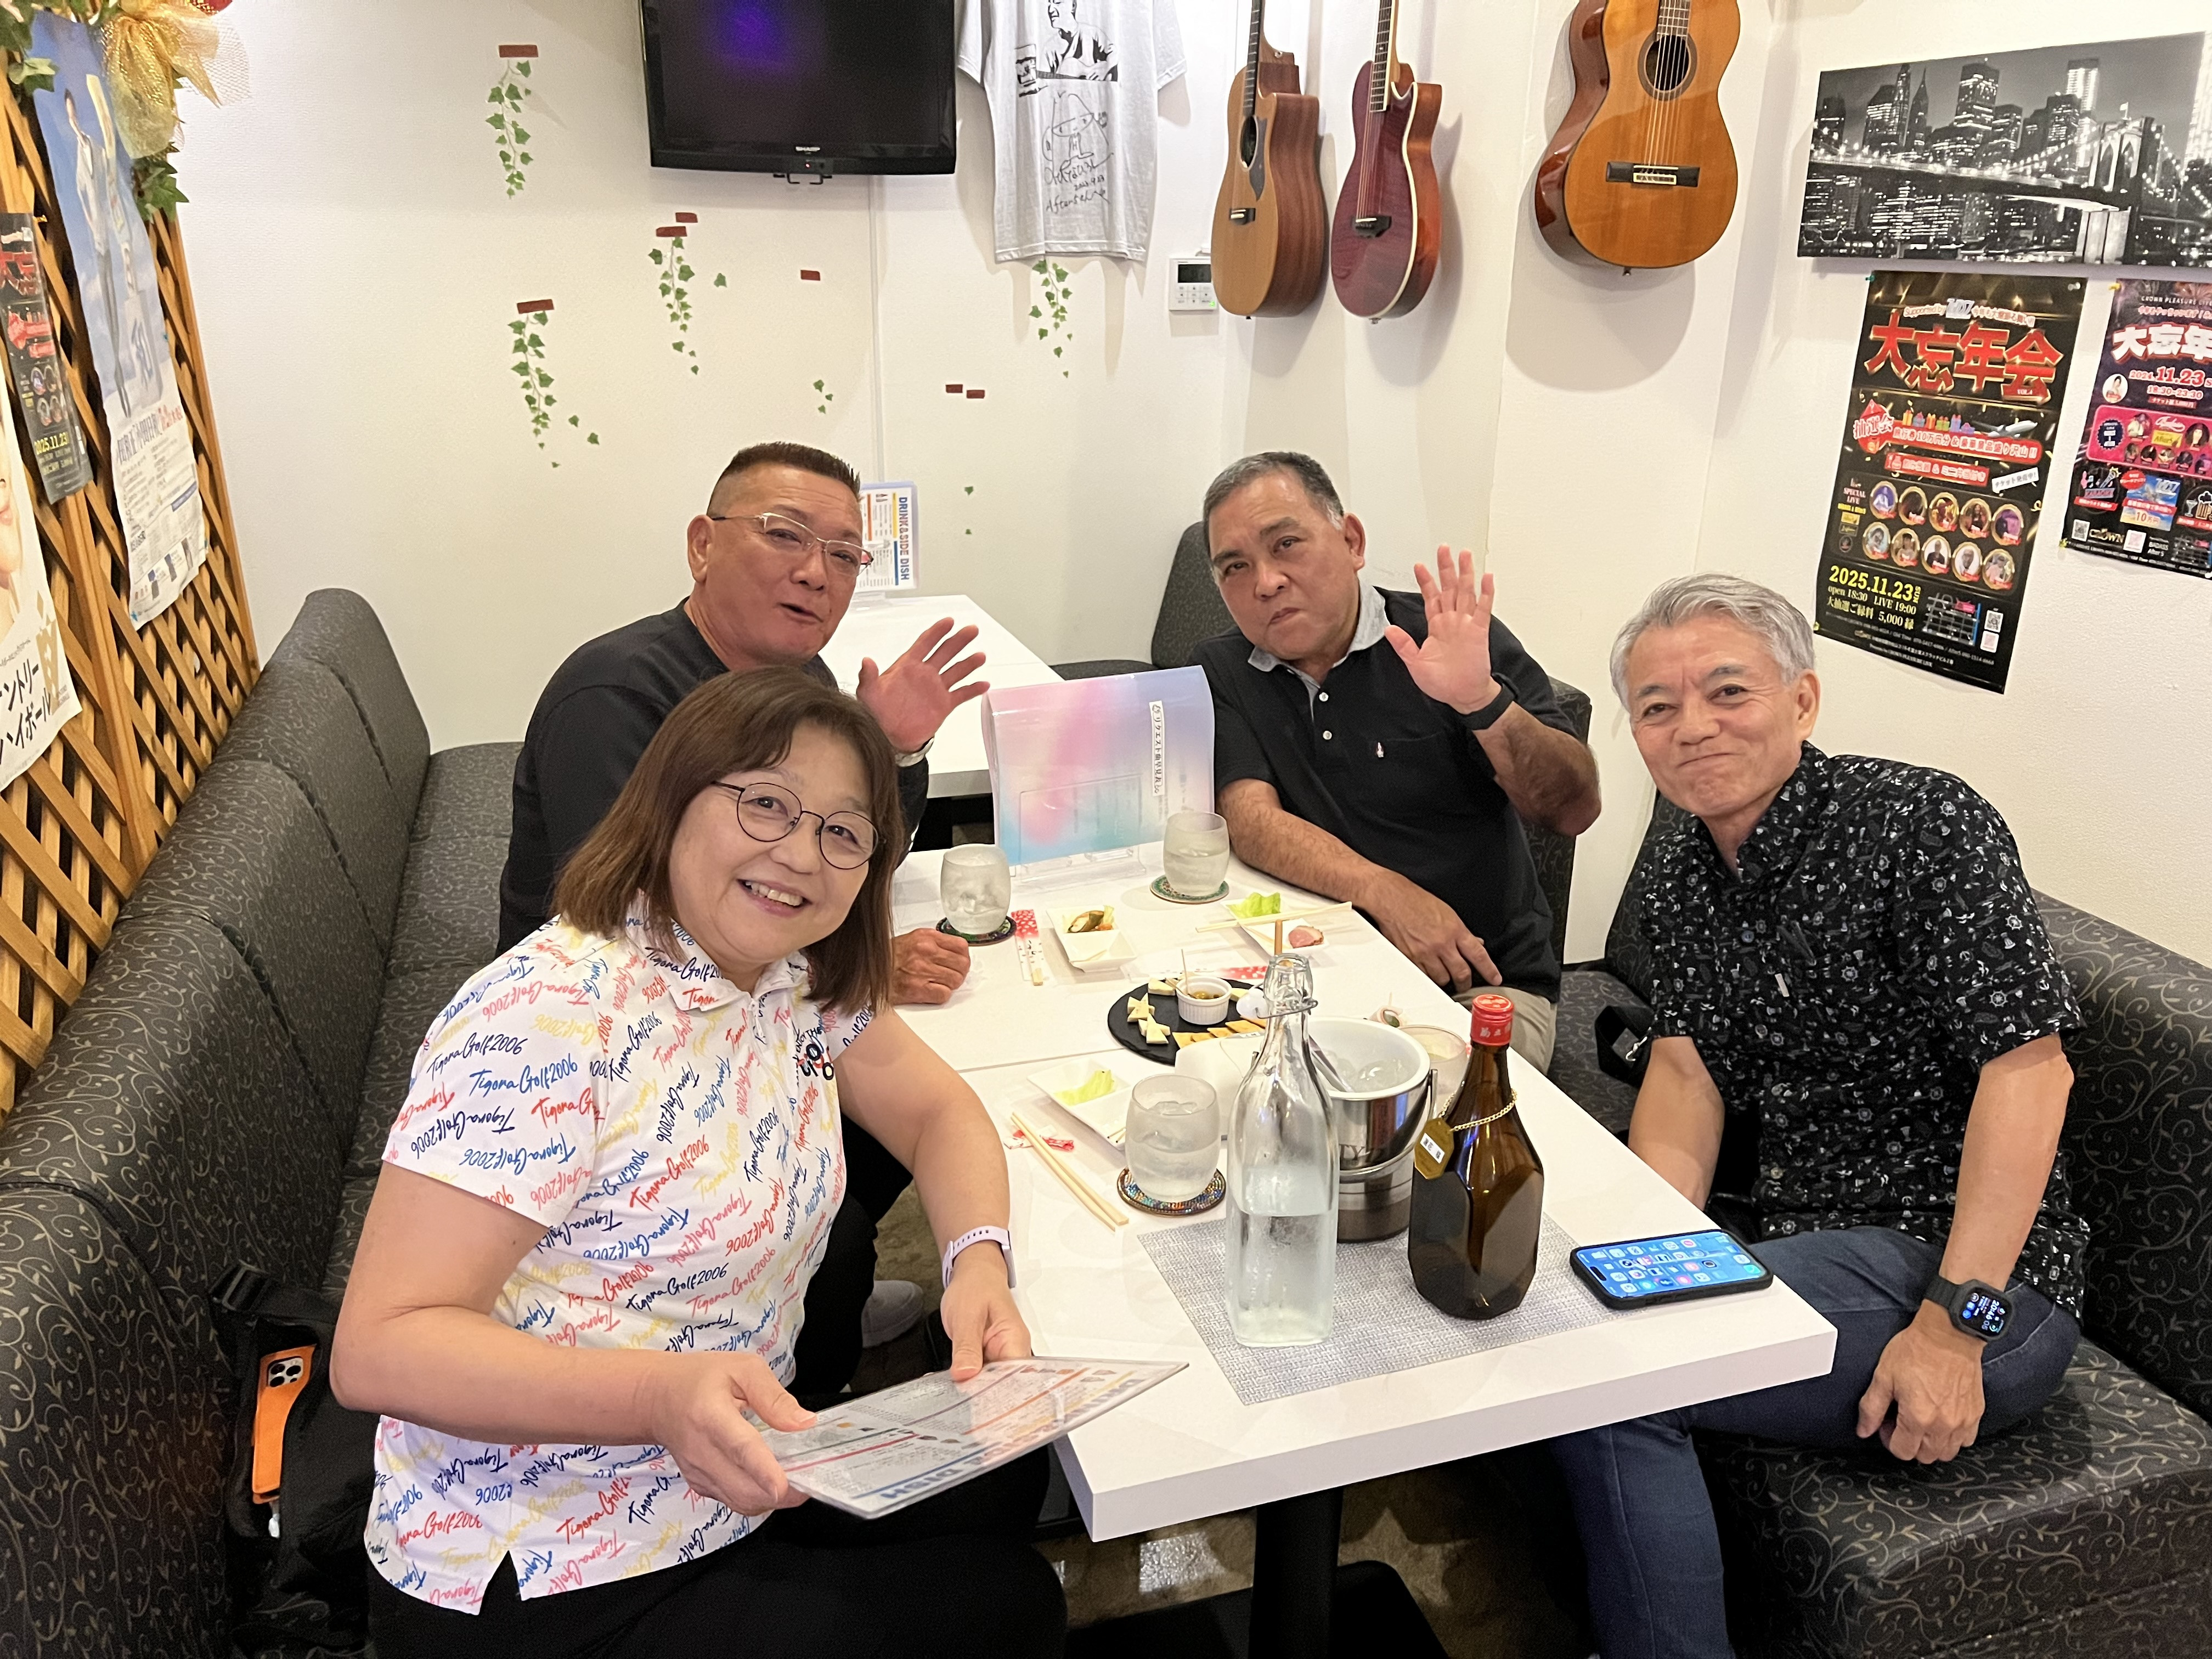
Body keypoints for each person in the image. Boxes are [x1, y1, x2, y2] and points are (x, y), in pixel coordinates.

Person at [334, 668, 1063, 1658]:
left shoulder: (791, 980)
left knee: (1011, 1468)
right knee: (1005, 1605)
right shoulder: (548, 1014)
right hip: (547, 1555)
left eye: (843, 832)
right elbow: (380, 1346)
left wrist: (976, 1259)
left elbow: (939, 1112)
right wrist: (657, 1396)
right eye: (765, 804)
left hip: (738, 1469)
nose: (799, 854)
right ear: (672, 799)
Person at [1550, 574, 2085, 1659]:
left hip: (1968, 1270)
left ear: (1802, 698)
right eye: (1657, 706)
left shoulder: (1920, 823)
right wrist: (1645, 1248)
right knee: (1553, 1291)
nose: (1692, 726)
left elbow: (2032, 1075)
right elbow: (1687, 1072)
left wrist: (1954, 1327)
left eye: (1727, 691)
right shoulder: (1686, 867)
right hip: (1799, 1230)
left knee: (1613, 1373)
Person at [498, 441, 985, 1389]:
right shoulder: (617, 693)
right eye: (784, 535)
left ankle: (805, 1296)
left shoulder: (801, 686)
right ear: (702, 544)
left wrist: (893, 747)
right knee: (861, 1156)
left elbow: (853, 853)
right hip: (614, 1052)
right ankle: (808, 1356)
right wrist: (849, 964)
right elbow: (638, 919)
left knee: (913, 1104)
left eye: (844, 554)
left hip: (745, 1003)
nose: (816, 571)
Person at [1193, 452, 1601, 1070]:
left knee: (1412, 1115)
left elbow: (1573, 811)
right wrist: (1384, 891)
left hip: (1479, 985)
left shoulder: (1445, 637)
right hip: (1321, 975)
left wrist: (1481, 703)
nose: (1266, 581)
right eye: (1235, 567)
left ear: (1352, 541)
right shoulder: (1225, 667)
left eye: (1286, 545)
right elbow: (1251, 819)